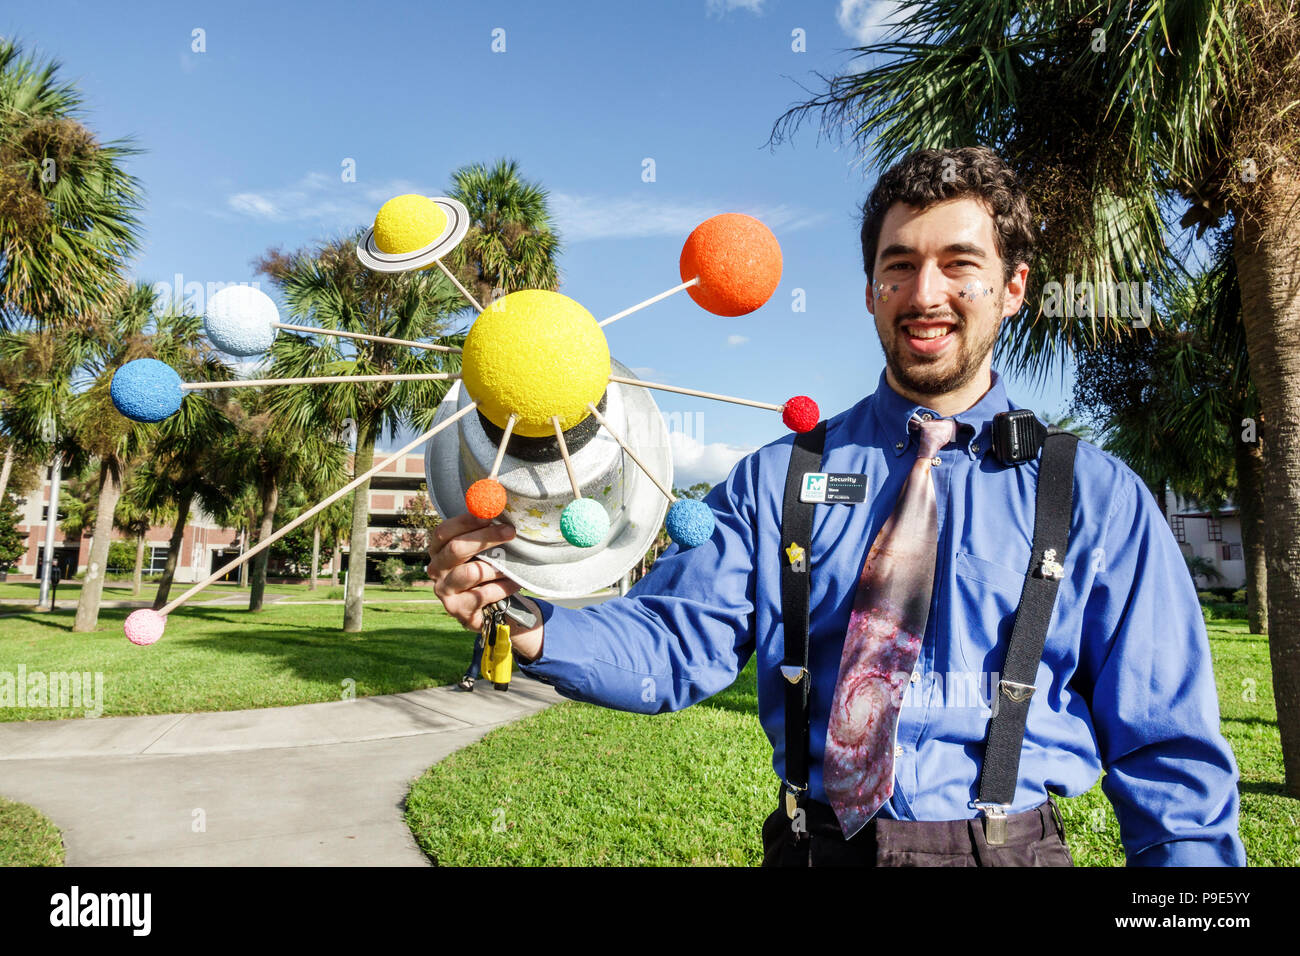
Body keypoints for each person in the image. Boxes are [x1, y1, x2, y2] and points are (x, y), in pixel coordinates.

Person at [426, 145, 1246, 867]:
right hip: (815, 851)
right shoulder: (784, 475)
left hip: (1008, 851)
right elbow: (673, 642)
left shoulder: (1095, 496)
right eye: (899, 265)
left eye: (960, 263)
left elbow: (1170, 757)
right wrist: (530, 621)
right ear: (869, 290)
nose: (925, 293)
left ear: (1014, 287)